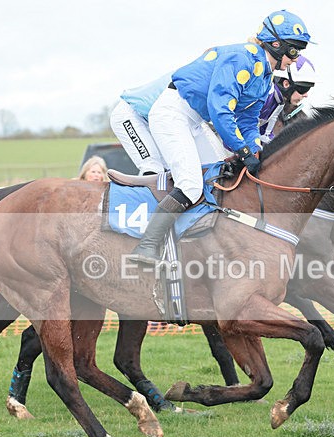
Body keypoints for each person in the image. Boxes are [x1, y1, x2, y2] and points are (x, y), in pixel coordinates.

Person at [128, 9, 313, 265]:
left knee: (218, 177)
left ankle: (197, 245)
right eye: (294, 51)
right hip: (173, 112)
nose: (296, 58)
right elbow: (220, 109)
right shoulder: (242, 57)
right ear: (276, 44)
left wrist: (255, 149)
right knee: (191, 185)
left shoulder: (265, 77)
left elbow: (248, 120)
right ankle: (146, 246)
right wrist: (243, 151)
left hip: (193, 120)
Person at [258, 54, 317, 143]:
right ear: (286, 84)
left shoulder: (277, 103)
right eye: (303, 89)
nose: (306, 95)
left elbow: (266, 136)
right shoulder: (263, 99)